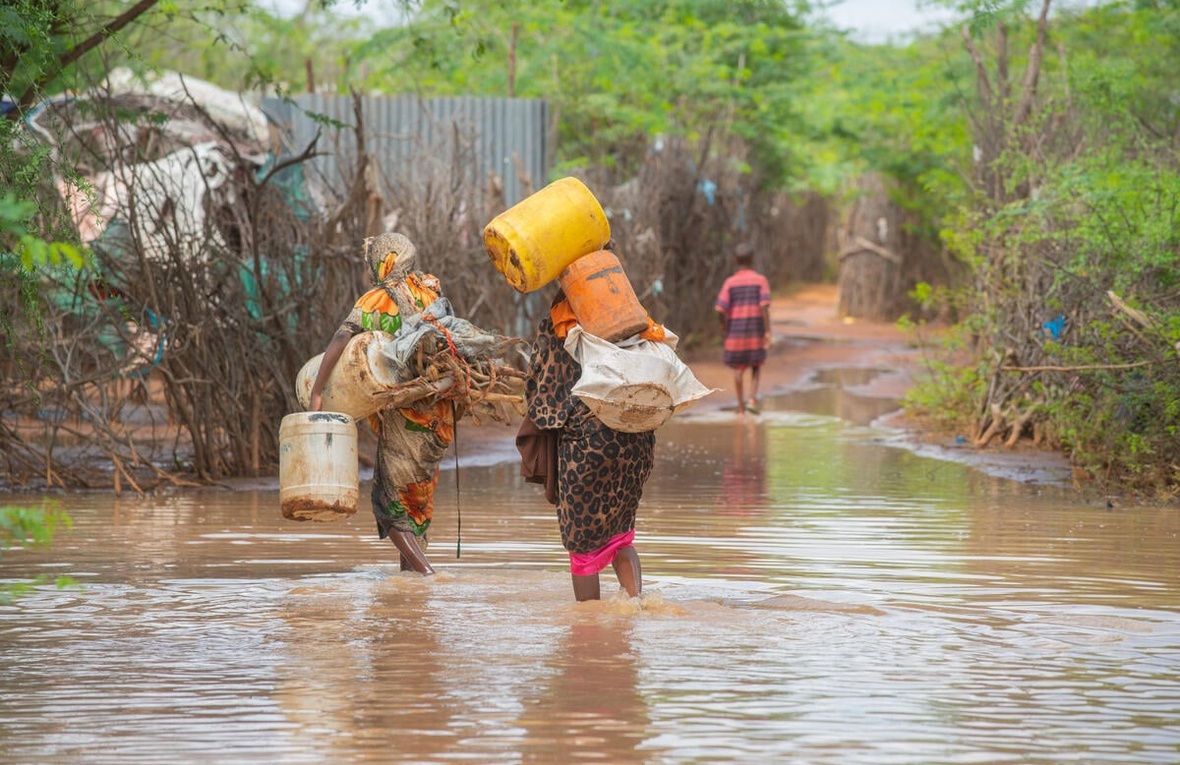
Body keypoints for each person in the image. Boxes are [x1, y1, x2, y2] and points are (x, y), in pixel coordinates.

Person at [308, 232, 457, 575]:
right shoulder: (430, 292)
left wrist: (318, 391)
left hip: (404, 416)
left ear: (383, 260)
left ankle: (427, 575)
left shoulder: (376, 300)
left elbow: (341, 337)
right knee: (415, 501)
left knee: (388, 504)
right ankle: (410, 585)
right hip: (438, 415)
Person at [519, 290, 657, 602]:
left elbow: (543, 398)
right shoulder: (631, 316)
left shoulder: (560, 323)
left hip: (588, 446)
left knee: (581, 545)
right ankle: (633, 612)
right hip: (637, 441)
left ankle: (587, 630)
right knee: (621, 536)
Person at [714, 242, 771, 414]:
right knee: (756, 366)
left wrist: (724, 328)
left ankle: (740, 406)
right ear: (752, 259)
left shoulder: (730, 283)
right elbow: (764, 307)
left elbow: (720, 308)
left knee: (738, 370)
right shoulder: (761, 280)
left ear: (735, 260)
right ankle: (752, 399)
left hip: (735, 334)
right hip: (755, 332)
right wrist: (767, 331)